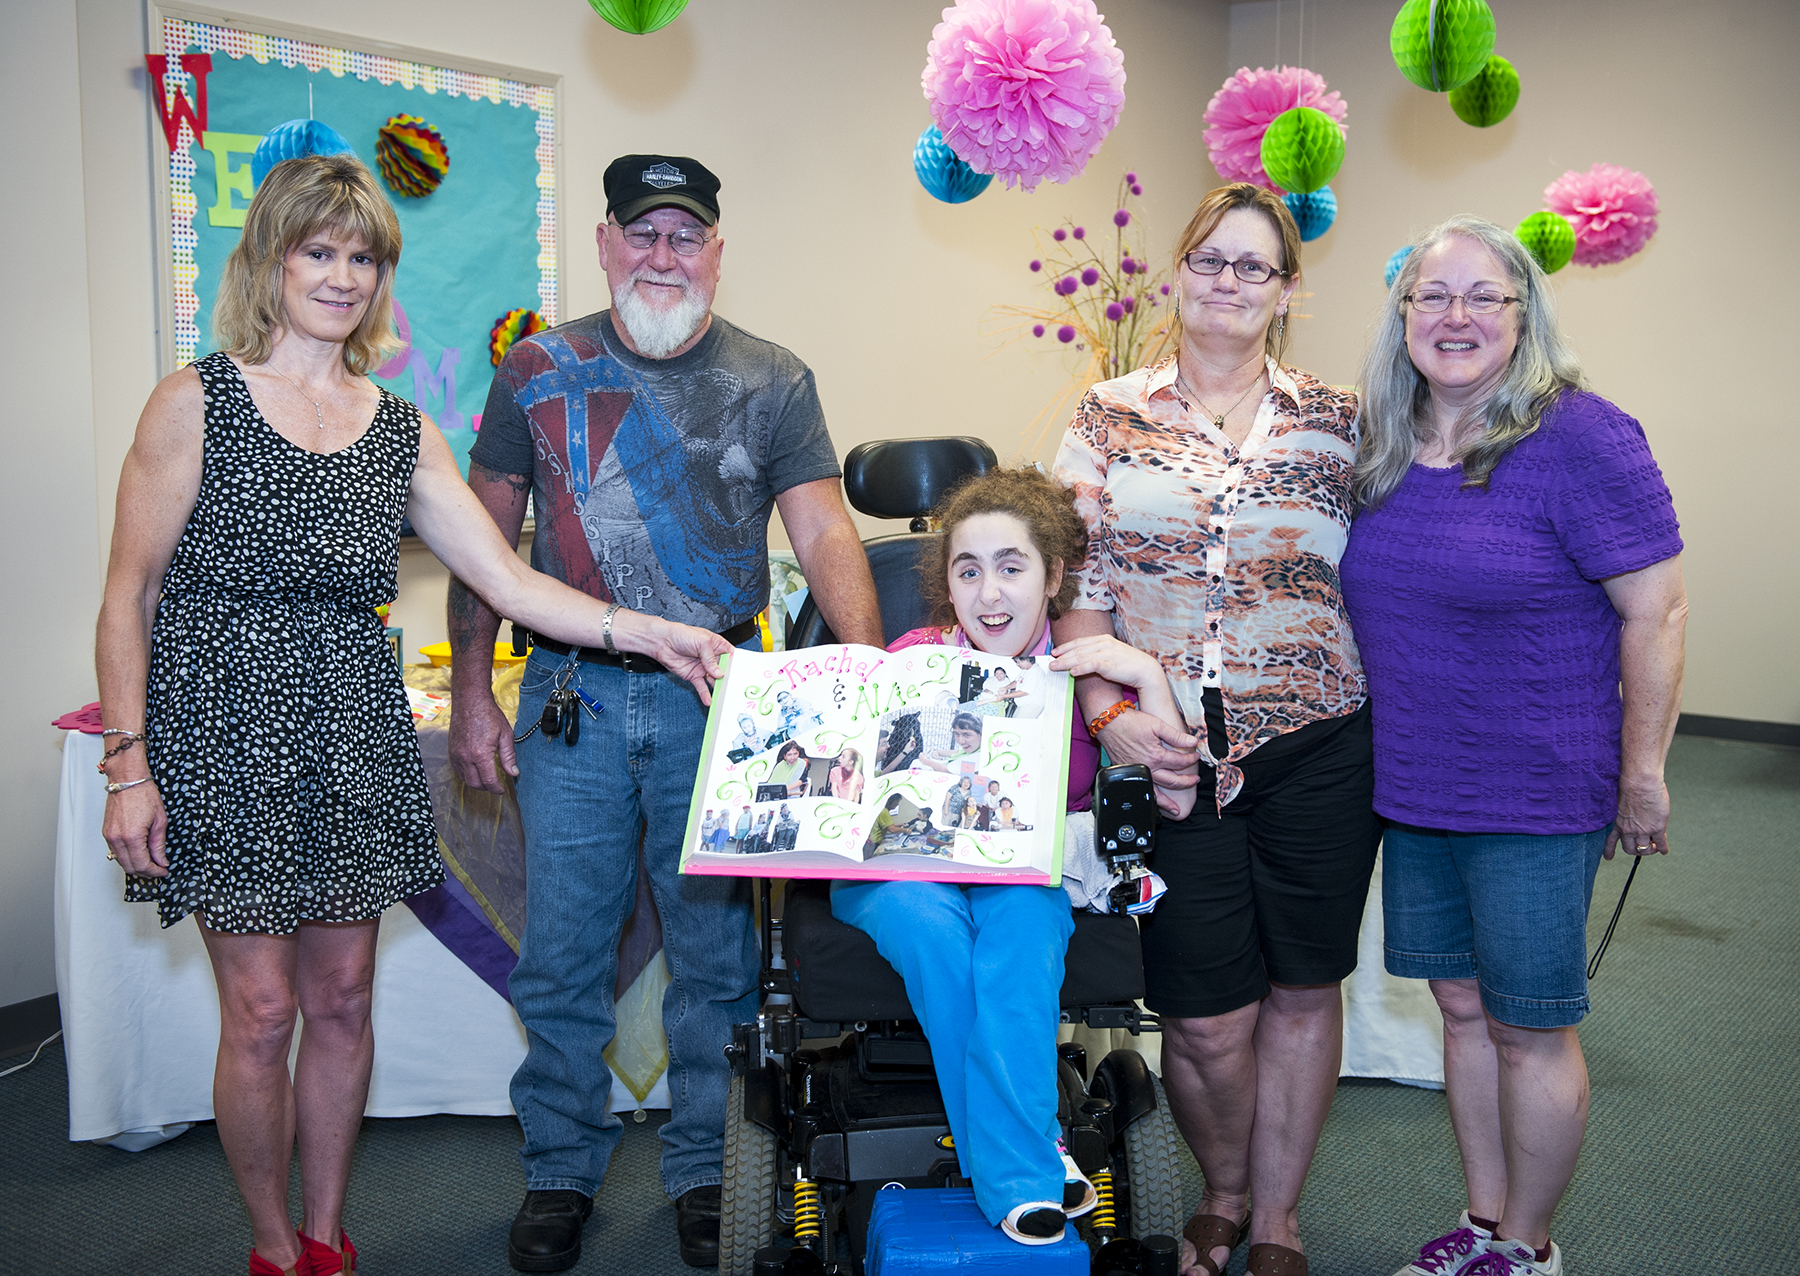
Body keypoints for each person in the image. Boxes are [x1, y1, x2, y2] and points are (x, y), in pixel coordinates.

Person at [92, 154, 732, 1276]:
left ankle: (330, 1232)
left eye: (363, 256)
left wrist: (650, 632)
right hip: (223, 731)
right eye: (319, 251)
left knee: (341, 997)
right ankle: (271, 1243)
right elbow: (128, 595)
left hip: (351, 728)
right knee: (260, 1012)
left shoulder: (397, 426)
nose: (342, 276)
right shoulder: (194, 400)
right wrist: (127, 765)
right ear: (271, 260)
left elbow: (511, 578)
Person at [443, 154, 881, 1271]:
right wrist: (472, 702)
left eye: (686, 236)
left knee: (716, 962)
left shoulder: (775, 378)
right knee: (562, 956)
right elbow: (484, 548)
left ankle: (702, 1168)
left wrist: (871, 671)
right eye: (643, 233)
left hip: (721, 702)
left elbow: (825, 531)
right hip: (567, 702)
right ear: (603, 242)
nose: (663, 254)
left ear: (718, 252)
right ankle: (559, 1170)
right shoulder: (536, 370)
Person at [1339, 216, 1686, 1276]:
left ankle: (1530, 1247)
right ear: (1401, 320)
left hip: (1538, 787)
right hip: (1418, 782)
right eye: (1430, 296)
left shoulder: (1582, 437)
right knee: (1457, 1005)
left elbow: (1658, 611)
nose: (1455, 317)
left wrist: (1642, 773)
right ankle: (1483, 1221)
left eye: (1483, 295)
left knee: (1529, 1023)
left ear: (1524, 314)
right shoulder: (1389, 444)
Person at [1052, 182, 1381, 1276]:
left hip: (1317, 743)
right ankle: (1224, 1190)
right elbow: (1074, 589)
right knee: (1200, 1012)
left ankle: (1277, 1217)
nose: (1230, 282)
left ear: (1289, 290)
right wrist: (1110, 716)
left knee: (1302, 986)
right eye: (1211, 260)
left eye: (1255, 266)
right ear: (1178, 275)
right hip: (1168, 754)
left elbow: (1413, 560)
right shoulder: (1109, 412)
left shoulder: (1340, 419)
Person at [833, 467, 1194, 1246]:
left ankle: (1018, 1160)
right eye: (969, 571)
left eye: (1011, 567)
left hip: (1018, 871)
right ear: (948, 585)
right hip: (905, 869)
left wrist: (1146, 674)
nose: (990, 594)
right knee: (932, 931)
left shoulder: (1084, 679)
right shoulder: (913, 657)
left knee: (1025, 930)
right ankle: (1029, 1168)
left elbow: (1173, 796)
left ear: (1053, 575)